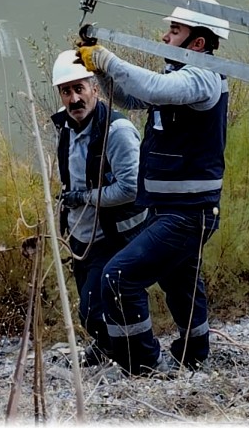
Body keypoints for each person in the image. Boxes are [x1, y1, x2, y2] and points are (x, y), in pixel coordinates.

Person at [75, 0, 230, 376]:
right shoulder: (178, 76)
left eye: (174, 31)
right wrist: (99, 72)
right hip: (170, 208)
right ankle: (193, 356)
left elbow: (154, 88)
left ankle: (143, 364)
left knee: (118, 278)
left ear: (197, 43)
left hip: (188, 213)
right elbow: (132, 95)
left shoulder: (202, 77)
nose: (164, 36)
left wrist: (108, 59)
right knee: (182, 285)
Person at [49, 50, 145, 367]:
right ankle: (107, 348)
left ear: (95, 88)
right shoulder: (65, 128)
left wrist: (86, 197)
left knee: (92, 308)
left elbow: (132, 188)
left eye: (80, 89)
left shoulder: (117, 132)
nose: (74, 98)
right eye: (66, 91)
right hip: (81, 234)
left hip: (114, 233)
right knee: (90, 305)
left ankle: (134, 356)